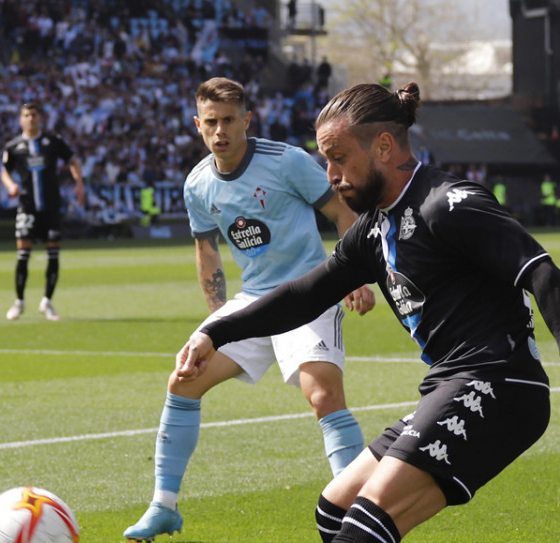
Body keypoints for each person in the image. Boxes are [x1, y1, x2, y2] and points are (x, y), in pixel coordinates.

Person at [177, 82, 560, 543]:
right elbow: (303, 295)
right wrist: (215, 332)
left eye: (338, 157)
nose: (331, 174)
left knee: (365, 524)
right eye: (325, 161)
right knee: (335, 510)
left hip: (500, 382)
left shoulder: (448, 204)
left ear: (382, 146)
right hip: (450, 381)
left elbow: (541, 272)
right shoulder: (372, 230)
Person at [123, 77, 376, 541]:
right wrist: (221, 319)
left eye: (229, 121)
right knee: (184, 377)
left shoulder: (287, 162)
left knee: (322, 395)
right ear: (198, 125)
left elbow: (343, 215)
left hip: (309, 292)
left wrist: (354, 275)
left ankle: (359, 510)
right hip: (254, 300)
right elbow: (207, 252)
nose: (220, 131)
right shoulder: (197, 184)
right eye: (211, 123)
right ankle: (163, 506)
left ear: (247, 121)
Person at [0, 102, 85, 321]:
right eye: (26, 115)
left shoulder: (52, 142)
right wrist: (10, 186)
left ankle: (47, 301)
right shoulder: (13, 146)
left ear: (40, 118)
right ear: (21, 119)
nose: (30, 119)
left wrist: (79, 184)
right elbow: (4, 172)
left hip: (51, 206)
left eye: (34, 115)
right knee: (23, 253)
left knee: (53, 253)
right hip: (27, 206)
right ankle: (19, 301)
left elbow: (73, 160)